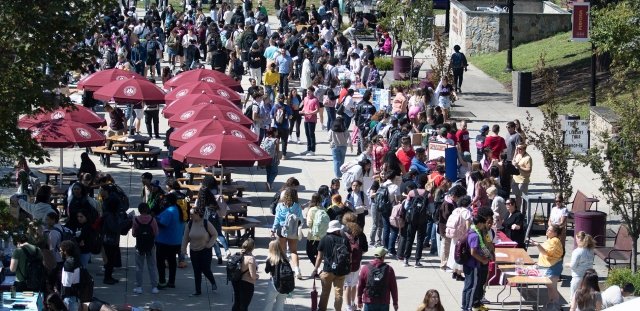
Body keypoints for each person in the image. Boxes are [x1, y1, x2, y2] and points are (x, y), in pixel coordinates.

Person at [312, 220, 351, 311]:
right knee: (339, 293)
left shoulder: (324, 239)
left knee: (325, 292)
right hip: (340, 271)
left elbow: (319, 257)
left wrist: (315, 269)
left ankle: (322, 309)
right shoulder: (344, 240)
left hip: (327, 270)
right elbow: (349, 255)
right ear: (338, 230)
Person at [181, 207, 218, 296]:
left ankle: (213, 282)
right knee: (196, 271)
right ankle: (198, 291)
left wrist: (209, 245)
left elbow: (214, 234)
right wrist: (183, 249)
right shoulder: (189, 224)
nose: (190, 216)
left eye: (192, 214)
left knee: (205, 268)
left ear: (198, 214)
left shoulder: (206, 223)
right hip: (194, 250)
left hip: (205, 250)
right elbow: (185, 238)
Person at [461, 212, 493, 311]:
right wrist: (483, 260)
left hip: (467, 264)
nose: (484, 226)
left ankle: (465, 306)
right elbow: (473, 252)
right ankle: (468, 307)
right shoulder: (475, 235)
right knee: (472, 287)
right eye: (484, 223)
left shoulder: (470, 231)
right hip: (473, 265)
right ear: (479, 223)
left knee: (467, 286)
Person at [271, 187, 305, 279]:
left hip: (281, 230)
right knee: (293, 251)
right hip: (293, 231)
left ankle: (284, 270)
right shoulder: (297, 206)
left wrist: (273, 229)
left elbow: (277, 219)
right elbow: (301, 220)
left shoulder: (280, 206)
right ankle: (297, 270)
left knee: (283, 252)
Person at [155, 193, 186, 289]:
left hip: (165, 241)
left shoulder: (169, 211)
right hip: (176, 241)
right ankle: (171, 282)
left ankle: (162, 282)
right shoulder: (177, 209)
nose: (163, 202)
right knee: (172, 261)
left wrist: (154, 219)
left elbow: (164, 223)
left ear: (168, 201)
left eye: (165, 200)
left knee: (160, 262)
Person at [531, 225, 564, 310]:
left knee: (552, 288)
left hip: (553, 267)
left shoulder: (555, 241)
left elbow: (546, 252)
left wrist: (538, 245)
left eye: (550, 230)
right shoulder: (550, 239)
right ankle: (551, 304)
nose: (547, 231)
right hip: (548, 266)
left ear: (555, 233)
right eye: (548, 229)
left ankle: (555, 305)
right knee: (550, 288)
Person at [356, 246, 399, 311]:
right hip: (384, 301)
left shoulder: (365, 268)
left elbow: (360, 286)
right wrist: (395, 303)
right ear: (383, 256)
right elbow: (393, 287)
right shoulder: (389, 269)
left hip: (369, 301)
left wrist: (359, 301)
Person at [342, 212, 368, 311]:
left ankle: (348, 306)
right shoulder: (360, 232)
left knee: (347, 285)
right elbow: (365, 248)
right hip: (357, 262)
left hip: (345, 262)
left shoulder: (342, 232)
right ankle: (352, 304)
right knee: (353, 284)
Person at [133, 203, 159, 295]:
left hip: (139, 246)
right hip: (151, 246)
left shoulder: (136, 219)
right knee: (152, 266)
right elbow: (156, 233)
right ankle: (154, 287)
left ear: (139, 210)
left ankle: (139, 287)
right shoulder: (152, 220)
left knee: (139, 267)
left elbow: (133, 234)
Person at [101, 188, 122, 285]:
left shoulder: (110, 215)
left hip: (110, 240)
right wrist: (125, 222)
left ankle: (109, 276)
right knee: (109, 261)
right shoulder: (109, 216)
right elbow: (114, 228)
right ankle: (107, 277)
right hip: (109, 240)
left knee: (110, 260)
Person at [231, 238, 259, 311]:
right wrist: (257, 276)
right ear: (253, 247)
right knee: (244, 306)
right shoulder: (250, 259)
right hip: (247, 284)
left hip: (236, 282)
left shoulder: (238, 255)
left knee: (237, 303)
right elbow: (253, 276)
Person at [569, 232, 596, 302]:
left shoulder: (577, 251)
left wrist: (567, 264)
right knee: (586, 300)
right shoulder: (591, 250)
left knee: (574, 299)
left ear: (579, 239)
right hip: (588, 277)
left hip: (578, 277)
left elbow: (573, 266)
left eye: (576, 239)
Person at [263, 240, 289, 311]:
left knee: (268, 305)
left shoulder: (270, 259)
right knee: (280, 306)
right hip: (284, 284)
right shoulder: (285, 258)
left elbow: (266, 270)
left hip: (273, 283)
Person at [59, 240, 82, 311]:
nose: (60, 252)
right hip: (75, 296)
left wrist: (62, 298)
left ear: (65, 251)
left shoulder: (68, 264)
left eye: (61, 250)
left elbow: (67, 283)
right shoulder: (76, 260)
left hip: (69, 298)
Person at [302, 85, 320, 156]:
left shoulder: (315, 100)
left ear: (312, 92)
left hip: (312, 119)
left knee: (311, 134)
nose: (307, 92)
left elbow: (317, 110)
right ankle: (308, 149)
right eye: (307, 91)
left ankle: (313, 150)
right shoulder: (305, 98)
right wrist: (302, 111)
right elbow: (304, 107)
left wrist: (310, 113)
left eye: (309, 91)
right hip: (306, 118)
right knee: (307, 134)